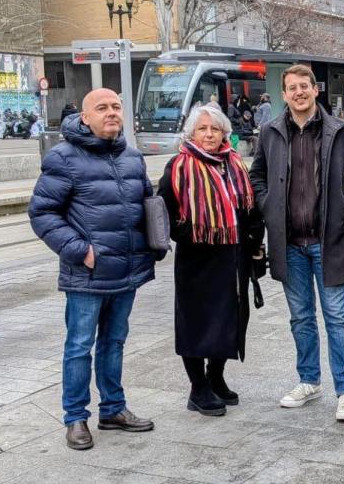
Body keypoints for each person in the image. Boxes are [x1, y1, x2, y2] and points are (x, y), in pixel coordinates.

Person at [29, 89, 159, 450]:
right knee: (79, 346)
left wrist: (154, 243)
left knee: (114, 343)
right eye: (101, 108)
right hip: (86, 274)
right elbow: (42, 213)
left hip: (126, 270)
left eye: (116, 106)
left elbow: (146, 208)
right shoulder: (63, 157)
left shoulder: (132, 158)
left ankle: (113, 408)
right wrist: (79, 250)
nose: (111, 113)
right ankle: (75, 418)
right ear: (84, 117)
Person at [249, 64, 344, 421]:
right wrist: (268, 204)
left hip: (326, 241)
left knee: (338, 318)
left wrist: (341, 210)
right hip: (288, 243)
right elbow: (256, 174)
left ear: (315, 90)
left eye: (305, 86)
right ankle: (309, 380)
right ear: (283, 94)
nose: (299, 92)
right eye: (292, 88)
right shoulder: (270, 131)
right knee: (300, 317)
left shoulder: (341, 131)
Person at [158, 104, 265, 418]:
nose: (208, 134)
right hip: (198, 257)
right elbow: (164, 212)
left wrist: (255, 238)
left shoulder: (233, 164)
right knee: (196, 320)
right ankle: (197, 387)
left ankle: (215, 376)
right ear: (192, 132)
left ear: (224, 133)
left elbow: (248, 206)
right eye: (202, 129)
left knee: (231, 316)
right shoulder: (179, 166)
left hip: (233, 255)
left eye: (214, 129)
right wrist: (191, 233)